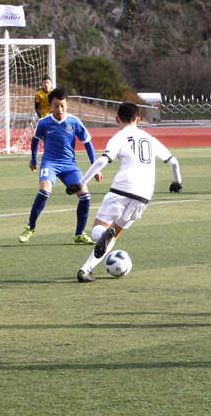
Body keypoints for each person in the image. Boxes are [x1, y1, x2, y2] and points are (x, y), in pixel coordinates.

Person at [71, 102, 182, 282]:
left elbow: (103, 161)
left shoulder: (119, 136)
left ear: (117, 119)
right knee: (115, 233)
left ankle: (101, 238)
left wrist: (81, 182)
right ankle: (85, 269)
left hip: (122, 189)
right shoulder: (148, 137)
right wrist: (177, 182)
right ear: (138, 119)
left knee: (97, 232)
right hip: (144, 195)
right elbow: (174, 161)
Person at [19, 87, 101, 244]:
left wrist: (95, 167)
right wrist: (34, 160)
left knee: (85, 197)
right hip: (50, 162)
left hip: (69, 165)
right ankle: (30, 227)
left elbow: (88, 143)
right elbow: (35, 141)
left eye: (62, 105)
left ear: (67, 105)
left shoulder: (74, 122)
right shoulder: (44, 123)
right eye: (56, 105)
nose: (59, 109)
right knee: (44, 192)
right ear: (50, 106)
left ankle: (79, 234)